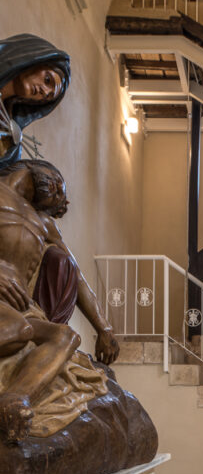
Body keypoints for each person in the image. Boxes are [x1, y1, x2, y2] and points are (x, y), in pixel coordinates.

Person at [0, 160, 117, 441]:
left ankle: (16, 400)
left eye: (60, 195)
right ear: (39, 169)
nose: (59, 194)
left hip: (20, 309)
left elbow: (76, 276)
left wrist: (103, 328)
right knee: (22, 330)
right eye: (57, 184)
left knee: (64, 336)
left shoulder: (43, 222)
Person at [0, 34, 70, 168]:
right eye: (47, 80)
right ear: (32, 60)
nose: (44, 92)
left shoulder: (9, 141)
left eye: (47, 97)